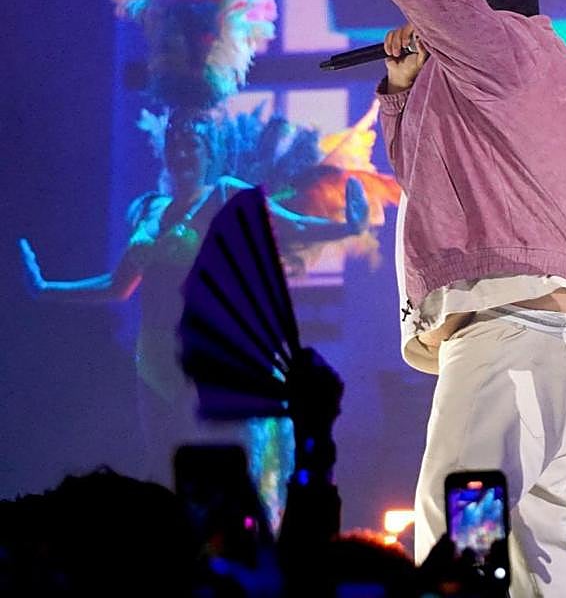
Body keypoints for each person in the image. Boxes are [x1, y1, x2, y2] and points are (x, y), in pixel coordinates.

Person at [289, 0, 566, 597]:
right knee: (533, 545)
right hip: (540, 334)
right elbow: (428, 184)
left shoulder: (507, 44)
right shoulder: (511, 81)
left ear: (479, 4)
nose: (424, 13)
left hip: (514, 330)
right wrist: (401, 89)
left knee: (463, 522)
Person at [19, 111, 369, 485]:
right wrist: (47, 288)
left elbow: (291, 224)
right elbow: (117, 286)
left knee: (217, 469)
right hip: (155, 355)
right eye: (175, 146)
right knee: (162, 466)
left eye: (192, 146)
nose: (182, 154)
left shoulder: (224, 194)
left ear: (210, 152)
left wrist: (348, 227)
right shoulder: (148, 208)